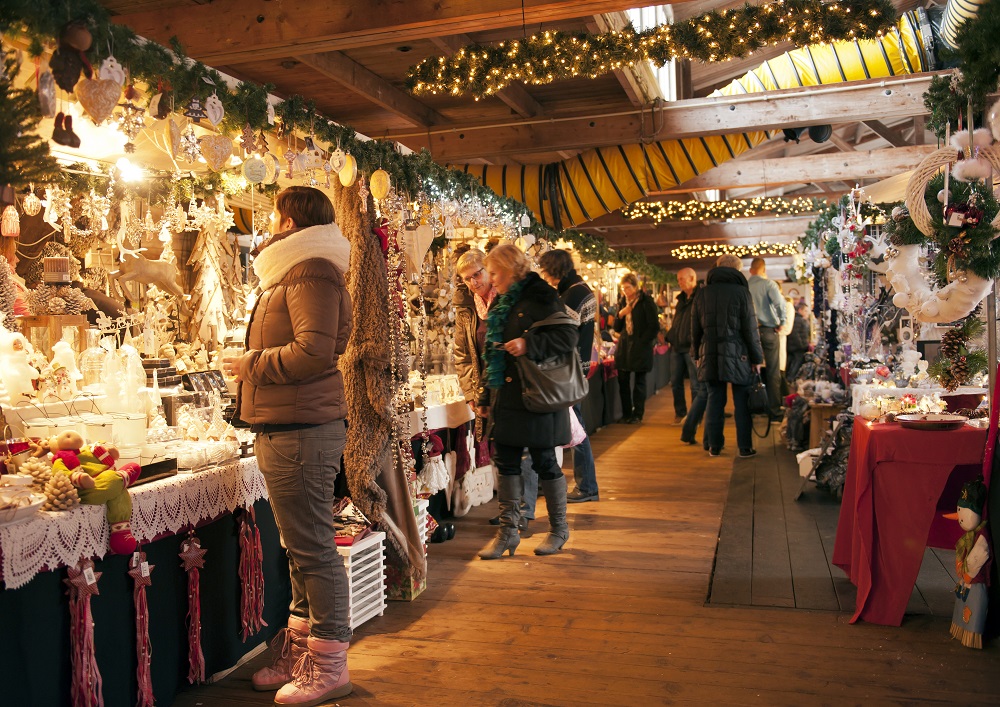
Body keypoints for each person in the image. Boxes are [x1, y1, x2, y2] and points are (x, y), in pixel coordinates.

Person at [223, 186, 354, 705]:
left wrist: (247, 364)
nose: (269, 224)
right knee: (300, 550)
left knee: (314, 550)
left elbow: (312, 353)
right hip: (286, 425)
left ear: (291, 220)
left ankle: (329, 665)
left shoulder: (311, 273)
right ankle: (303, 653)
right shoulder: (297, 271)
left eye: (275, 215)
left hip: (301, 429)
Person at [477, 244, 578, 559]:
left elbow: (567, 337)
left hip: (536, 396)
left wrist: (528, 343)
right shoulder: (501, 303)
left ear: (509, 269)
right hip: (506, 396)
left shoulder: (541, 295)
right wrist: (484, 395)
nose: (491, 280)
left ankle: (559, 530)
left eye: (494, 273)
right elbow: (491, 352)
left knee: (544, 461)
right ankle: (508, 532)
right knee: (505, 461)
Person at [454, 249, 536, 532]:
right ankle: (509, 510)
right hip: (486, 390)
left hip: (514, 385)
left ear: (488, 270)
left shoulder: (508, 301)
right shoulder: (467, 311)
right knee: (501, 450)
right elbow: (463, 356)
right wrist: (471, 394)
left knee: (522, 449)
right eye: (467, 279)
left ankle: (525, 509)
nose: (474, 282)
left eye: (477, 274)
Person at [538, 248, 599, 504]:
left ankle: (587, 485)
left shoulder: (573, 293)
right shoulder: (580, 288)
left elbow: (562, 332)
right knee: (572, 426)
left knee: (575, 429)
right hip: (577, 369)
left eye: (545, 270)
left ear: (554, 270)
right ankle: (559, 481)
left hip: (569, 370)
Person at [691, 254, 764, 458]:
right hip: (739, 354)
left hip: (710, 353)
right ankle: (745, 447)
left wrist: (696, 353)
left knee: (715, 400)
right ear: (738, 270)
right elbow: (750, 329)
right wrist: (757, 358)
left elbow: (695, 327)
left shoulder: (702, 293)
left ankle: (715, 446)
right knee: (742, 401)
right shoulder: (742, 293)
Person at [613, 272, 659, 424]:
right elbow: (616, 328)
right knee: (623, 380)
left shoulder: (646, 301)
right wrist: (621, 314)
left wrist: (642, 341)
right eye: (623, 288)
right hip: (625, 345)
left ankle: (638, 414)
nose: (625, 291)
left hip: (640, 345)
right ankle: (626, 413)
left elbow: (653, 326)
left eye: (628, 287)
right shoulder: (622, 302)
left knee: (639, 381)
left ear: (635, 286)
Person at [747, 257, 787, 419]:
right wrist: (782, 321)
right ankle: (774, 411)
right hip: (768, 330)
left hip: (750, 332)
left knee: (751, 371)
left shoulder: (744, 286)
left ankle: (755, 407)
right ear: (764, 270)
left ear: (750, 270)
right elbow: (780, 304)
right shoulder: (769, 284)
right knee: (772, 371)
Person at [667, 267, 701, 425]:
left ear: (692, 278)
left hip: (691, 347)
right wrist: (671, 336)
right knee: (675, 382)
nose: (679, 282)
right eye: (679, 279)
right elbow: (678, 321)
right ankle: (680, 413)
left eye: (682, 279)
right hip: (677, 346)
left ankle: (695, 415)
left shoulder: (700, 297)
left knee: (695, 383)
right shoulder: (681, 299)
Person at [786, 301, 811, 382]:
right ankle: (790, 380)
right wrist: (802, 345)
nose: (807, 313)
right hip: (797, 348)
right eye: (805, 311)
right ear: (800, 310)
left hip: (795, 347)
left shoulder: (798, 319)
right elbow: (795, 334)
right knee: (795, 365)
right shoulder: (798, 320)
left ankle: (789, 380)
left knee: (793, 364)